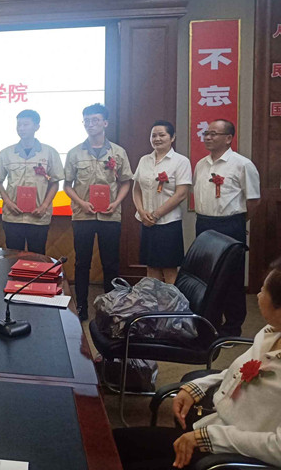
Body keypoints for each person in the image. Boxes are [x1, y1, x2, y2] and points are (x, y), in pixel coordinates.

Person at [113, 262, 281, 469]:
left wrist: (208, 438)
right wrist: (197, 386)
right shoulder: (271, 333)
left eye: (263, 290)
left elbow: (278, 448)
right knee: (112, 443)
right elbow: (237, 371)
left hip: (230, 457)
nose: (258, 295)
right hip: (211, 430)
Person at [64, 103, 133, 321]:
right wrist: (81, 203)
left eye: (95, 120)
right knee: (81, 263)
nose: (90, 124)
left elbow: (126, 182)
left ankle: (110, 309)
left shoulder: (118, 152)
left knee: (110, 263)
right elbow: (67, 185)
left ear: (105, 123)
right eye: (87, 120)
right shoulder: (75, 153)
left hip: (110, 215)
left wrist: (117, 202)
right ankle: (81, 306)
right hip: (82, 215)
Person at [193, 119, 260, 336]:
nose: (208, 137)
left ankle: (232, 327)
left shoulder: (242, 164)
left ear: (228, 138)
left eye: (214, 134)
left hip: (230, 225)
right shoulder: (201, 164)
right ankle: (209, 323)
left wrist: (239, 222)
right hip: (204, 223)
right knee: (206, 277)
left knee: (232, 278)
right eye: (207, 133)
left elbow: (253, 200)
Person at [0, 109, 63, 253]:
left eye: (25, 124)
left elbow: (55, 182)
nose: (21, 128)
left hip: (38, 216)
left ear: (36, 127)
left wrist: (44, 206)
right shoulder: (6, 153)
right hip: (13, 216)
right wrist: (8, 203)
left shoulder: (49, 152)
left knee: (37, 256)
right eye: (19, 125)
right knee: (12, 257)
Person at [132, 121, 192, 284]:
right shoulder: (144, 160)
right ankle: (153, 299)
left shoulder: (181, 161)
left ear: (172, 137)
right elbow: (136, 189)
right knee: (151, 267)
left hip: (168, 223)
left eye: (162, 135)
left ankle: (171, 301)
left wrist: (156, 215)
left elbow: (181, 193)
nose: (157, 139)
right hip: (146, 221)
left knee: (169, 269)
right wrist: (141, 211)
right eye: (153, 135)